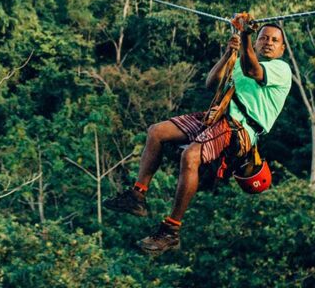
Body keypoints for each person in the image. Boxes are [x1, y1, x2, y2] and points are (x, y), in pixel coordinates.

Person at [103, 13, 292, 254]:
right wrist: (228, 54)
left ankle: (171, 230)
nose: (268, 42)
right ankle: (137, 195)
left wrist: (245, 34)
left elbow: (253, 70)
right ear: (256, 42)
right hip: (216, 116)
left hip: (239, 129)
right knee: (157, 132)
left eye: (274, 40)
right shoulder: (242, 61)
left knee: (190, 157)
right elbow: (212, 84)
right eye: (263, 37)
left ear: (282, 49)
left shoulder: (280, 69)